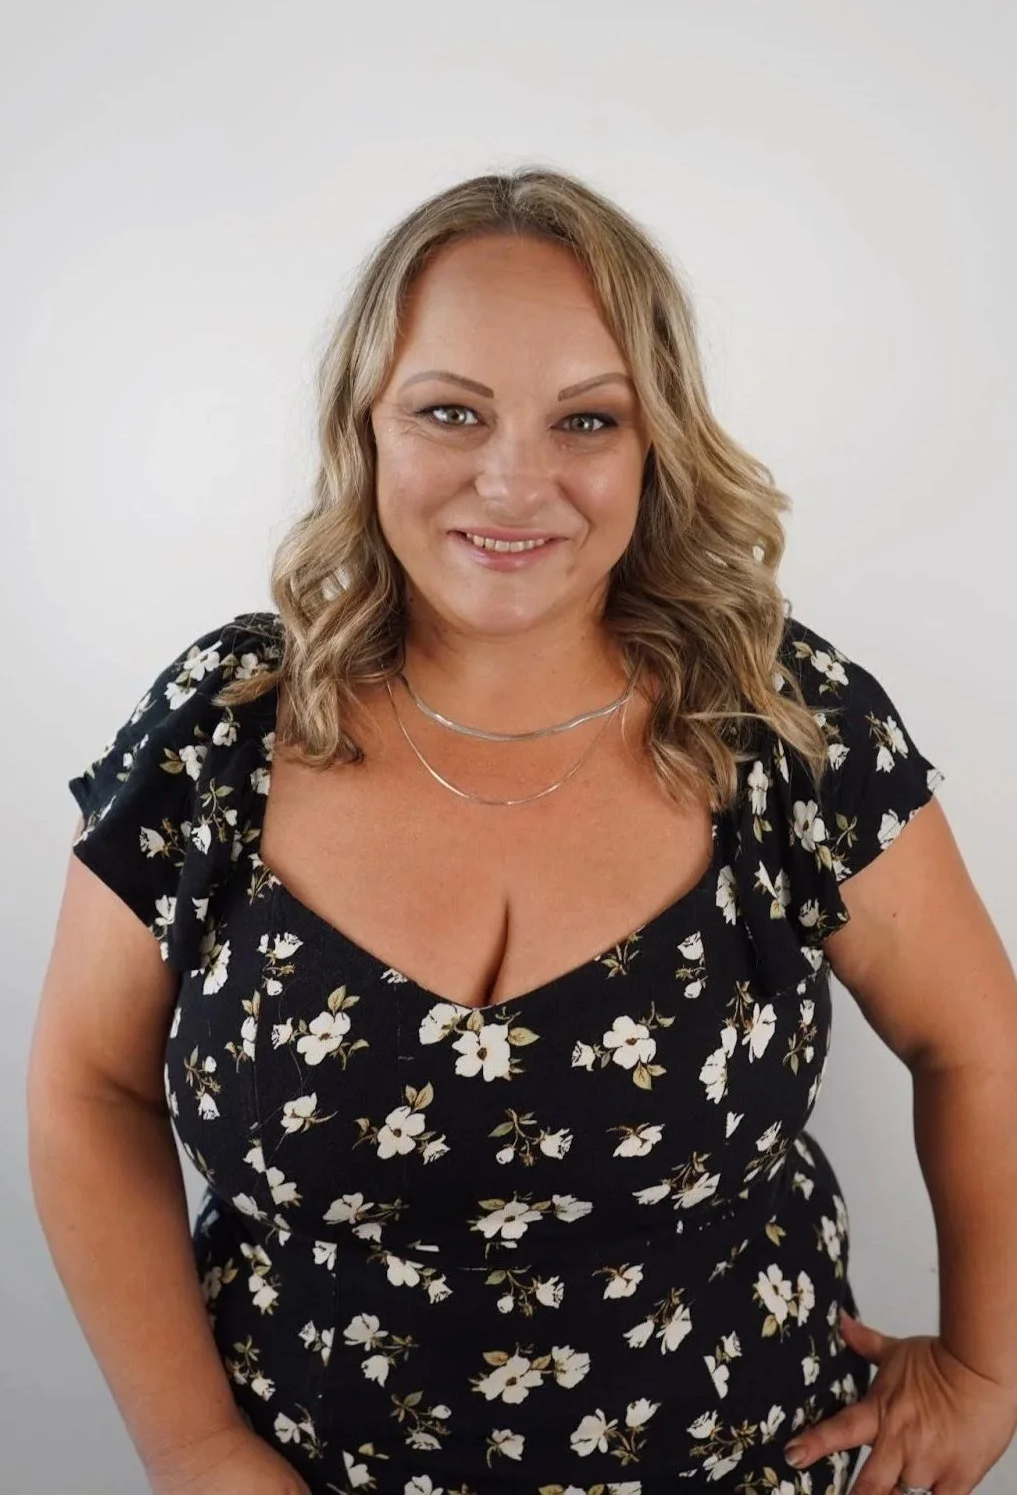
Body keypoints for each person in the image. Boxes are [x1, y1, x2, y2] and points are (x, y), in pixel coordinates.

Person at [27, 167, 1017, 1495]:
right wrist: (196, 1452)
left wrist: (992, 1374)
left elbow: (982, 1046)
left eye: (585, 421)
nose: (514, 483)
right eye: (452, 412)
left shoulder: (784, 722)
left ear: (654, 438)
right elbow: (85, 1087)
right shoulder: (224, 726)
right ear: (365, 425)